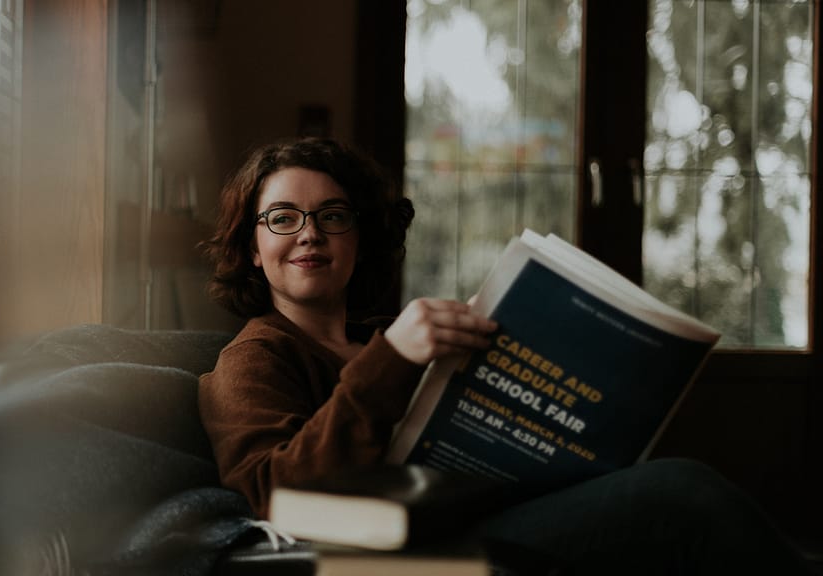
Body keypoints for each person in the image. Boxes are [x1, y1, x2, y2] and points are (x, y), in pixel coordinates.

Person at [198, 136, 814, 575]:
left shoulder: (388, 331)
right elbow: (271, 494)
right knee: (682, 495)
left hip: (493, 508)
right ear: (252, 249)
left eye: (333, 216)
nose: (309, 232)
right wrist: (393, 359)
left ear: (362, 237)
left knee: (672, 493)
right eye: (281, 218)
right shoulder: (253, 357)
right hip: (409, 548)